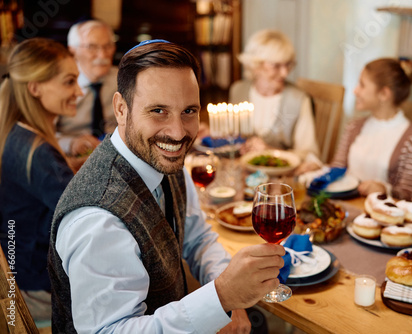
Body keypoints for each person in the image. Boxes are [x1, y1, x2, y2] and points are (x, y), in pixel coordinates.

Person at [48, 39, 285, 333]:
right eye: (158, 110)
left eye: (189, 111)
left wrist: (228, 299)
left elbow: (198, 238)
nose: (177, 133)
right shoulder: (97, 220)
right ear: (121, 109)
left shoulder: (161, 159)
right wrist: (221, 297)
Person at [0, 37, 81, 321]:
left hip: (19, 272)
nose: (79, 91)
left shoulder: (17, 135)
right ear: (34, 87)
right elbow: (82, 216)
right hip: (35, 290)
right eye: (69, 82)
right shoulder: (38, 153)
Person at [330, 58, 412, 200]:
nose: (355, 90)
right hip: (344, 206)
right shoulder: (353, 127)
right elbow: (337, 168)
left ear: (384, 94)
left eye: (362, 85)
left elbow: (408, 196)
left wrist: (384, 189)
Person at [228, 29, 320, 161]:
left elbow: (309, 155)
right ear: (255, 65)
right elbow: (230, 138)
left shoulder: (298, 99)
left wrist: (270, 151)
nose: (285, 73)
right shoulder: (238, 91)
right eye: (276, 66)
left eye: (288, 64)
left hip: (280, 177)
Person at [56, 19, 118, 160]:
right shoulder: (57, 84)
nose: (102, 55)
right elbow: (39, 133)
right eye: (91, 47)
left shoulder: (124, 80)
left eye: (108, 46)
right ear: (72, 50)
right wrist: (70, 144)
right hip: (71, 158)